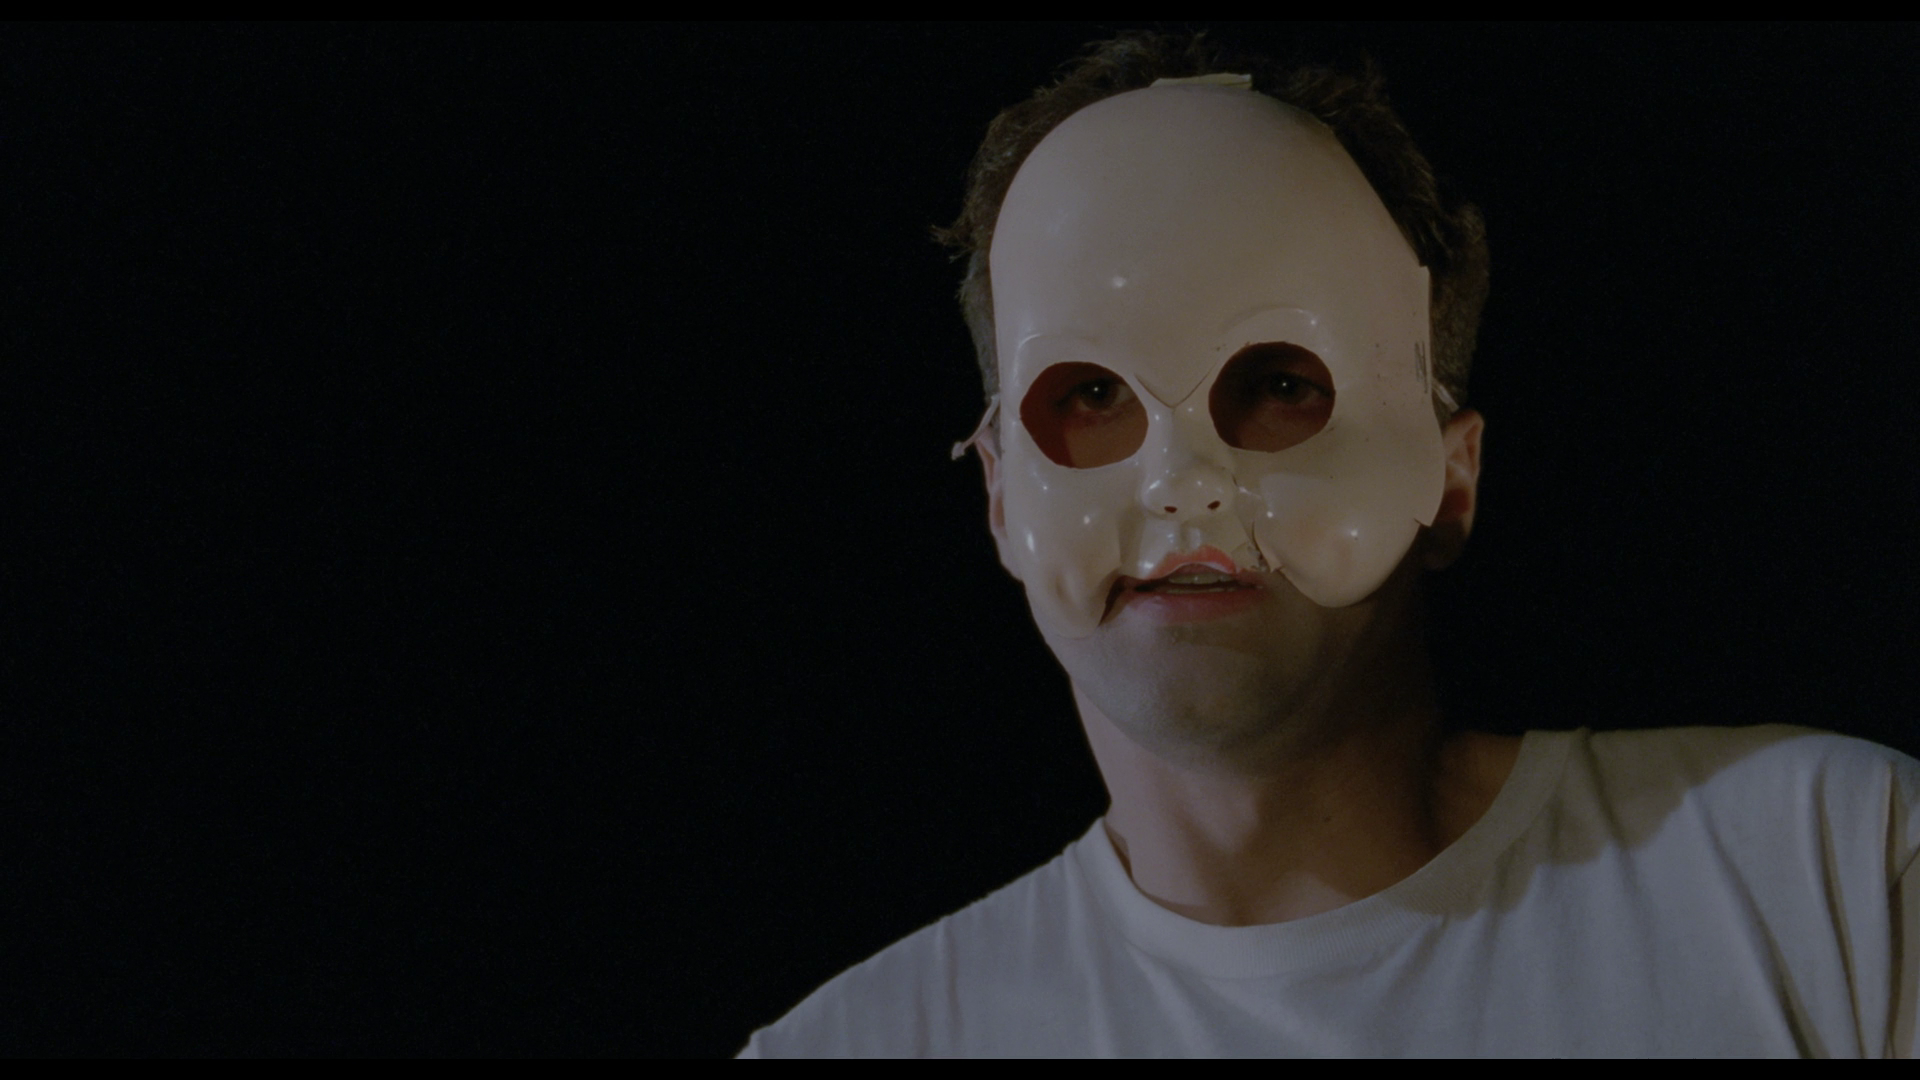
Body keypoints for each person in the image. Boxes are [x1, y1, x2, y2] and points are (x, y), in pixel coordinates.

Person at [739, 33, 1919, 1057]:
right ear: (1001, 497)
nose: (1182, 483)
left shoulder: (1835, 881)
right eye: (1092, 393)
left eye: (1277, 383)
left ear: (1451, 479)